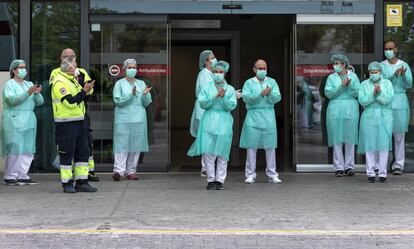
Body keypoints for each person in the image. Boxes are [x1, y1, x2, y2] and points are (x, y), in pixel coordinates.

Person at [50, 48, 99, 181]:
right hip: (66, 120)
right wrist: (83, 90)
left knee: (84, 147)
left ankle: (85, 177)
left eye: (72, 57)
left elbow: (90, 89)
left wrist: (82, 85)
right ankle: (67, 180)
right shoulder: (57, 74)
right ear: (61, 59)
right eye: (67, 57)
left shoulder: (81, 72)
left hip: (81, 116)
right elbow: (68, 99)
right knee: (68, 150)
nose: (70, 59)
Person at [187, 61, 237, 190]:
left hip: (224, 122)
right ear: (212, 72)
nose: (218, 74)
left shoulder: (230, 89)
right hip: (208, 121)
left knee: (222, 153)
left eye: (221, 72)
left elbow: (231, 105)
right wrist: (215, 97)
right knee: (208, 153)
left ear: (225, 73)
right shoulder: (207, 88)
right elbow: (202, 103)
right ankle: (210, 180)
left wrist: (223, 97)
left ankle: (220, 180)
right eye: (216, 71)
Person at [1, 59, 44, 185]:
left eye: (24, 67)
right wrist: (28, 93)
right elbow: (11, 101)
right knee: (15, 148)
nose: (23, 69)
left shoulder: (28, 83)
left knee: (28, 148)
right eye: (20, 67)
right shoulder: (10, 84)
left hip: (29, 120)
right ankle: (10, 175)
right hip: (15, 119)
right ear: (14, 70)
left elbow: (40, 102)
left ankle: (22, 175)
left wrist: (36, 94)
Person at [239, 59, 282, 184]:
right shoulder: (249, 83)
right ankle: (250, 174)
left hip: (268, 115)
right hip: (253, 116)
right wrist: (260, 94)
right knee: (251, 147)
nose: (262, 70)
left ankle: (272, 174)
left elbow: (277, 97)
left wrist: (269, 95)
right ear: (254, 69)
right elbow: (246, 98)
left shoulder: (272, 82)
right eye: (260, 68)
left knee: (270, 147)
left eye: (264, 68)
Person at [112, 59, 152, 181]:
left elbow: (147, 103)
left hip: (139, 119)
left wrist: (144, 94)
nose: (132, 69)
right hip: (123, 119)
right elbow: (118, 101)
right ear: (124, 69)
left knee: (135, 146)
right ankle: (118, 171)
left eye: (134, 67)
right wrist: (130, 94)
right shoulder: (119, 83)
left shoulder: (141, 83)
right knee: (121, 144)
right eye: (129, 67)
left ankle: (131, 171)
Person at [324, 54, 361, 177]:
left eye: (337, 63)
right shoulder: (331, 77)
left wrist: (349, 86)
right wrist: (341, 86)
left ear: (344, 64)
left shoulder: (354, 76)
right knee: (337, 139)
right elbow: (328, 93)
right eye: (334, 64)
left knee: (350, 138)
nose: (335, 66)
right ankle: (338, 167)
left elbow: (358, 93)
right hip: (335, 109)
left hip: (350, 109)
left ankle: (350, 166)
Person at [358, 61, 394, 183]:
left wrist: (378, 95)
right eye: (372, 72)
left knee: (383, 145)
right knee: (370, 145)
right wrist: (373, 95)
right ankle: (371, 173)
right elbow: (362, 100)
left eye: (376, 72)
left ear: (380, 72)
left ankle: (383, 173)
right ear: (369, 73)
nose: (374, 74)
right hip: (369, 116)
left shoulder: (387, 83)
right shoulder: (364, 84)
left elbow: (389, 99)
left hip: (385, 116)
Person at [380, 40, 413, 175]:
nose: (388, 51)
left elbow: (409, 84)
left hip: (400, 101)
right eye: (386, 48)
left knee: (399, 135)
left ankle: (398, 164)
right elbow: (381, 83)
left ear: (396, 49)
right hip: (386, 101)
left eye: (390, 48)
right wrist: (394, 75)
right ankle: (383, 163)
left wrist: (404, 75)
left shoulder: (404, 65)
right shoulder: (381, 66)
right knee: (384, 134)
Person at [189, 50, 217, 177]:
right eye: (213, 58)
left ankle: (207, 166)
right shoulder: (204, 74)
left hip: (209, 109)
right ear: (206, 61)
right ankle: (206, 167)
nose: (215, 59)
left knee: (211, 139)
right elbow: (210, 93)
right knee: (208, 139)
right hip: (205, 110)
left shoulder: (211, 74)